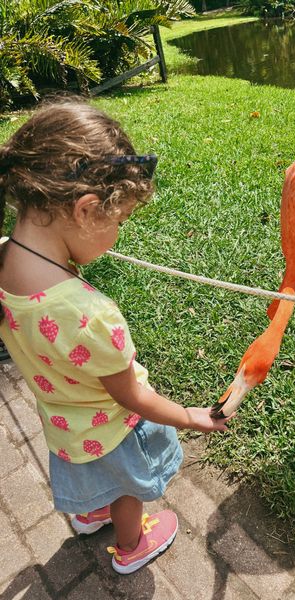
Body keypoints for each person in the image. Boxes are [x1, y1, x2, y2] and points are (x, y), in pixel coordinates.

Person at [0, 99, 233, 575]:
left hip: (64, 423)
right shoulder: (90, 315)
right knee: (129, 486)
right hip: (112, 430)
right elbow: (134, 398)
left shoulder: (3, 257)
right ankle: (132, 545)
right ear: (86, 210)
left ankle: (89, 512)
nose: (118, 234)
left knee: (91, 471)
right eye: (119, 220)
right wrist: (189, 416)